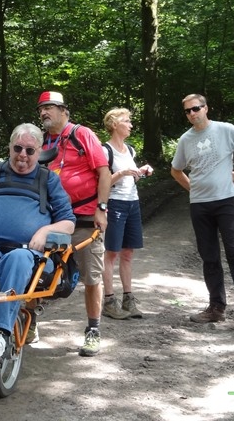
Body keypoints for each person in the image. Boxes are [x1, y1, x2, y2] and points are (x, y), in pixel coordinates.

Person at [171, 94, 234, 329]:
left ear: (206, 108)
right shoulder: (186, 140)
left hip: (226, 201)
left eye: (196, 108)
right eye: (187, 111)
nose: (192, 113)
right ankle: (216, 308)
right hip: (199, 205)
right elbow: (176, 171)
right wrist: (192, 189)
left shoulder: (224, 130)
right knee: (209, 257)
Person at [0, 123, 76, 360]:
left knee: (17, 257)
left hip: (31, 256)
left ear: (39, 151)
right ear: (10, 148)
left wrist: (45, 231)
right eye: (18, 148)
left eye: (30, 150)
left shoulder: (47, 179)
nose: (23, 155)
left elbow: (68, 222)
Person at [37, 91, 112, 356]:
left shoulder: (82, 134)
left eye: (49, 108)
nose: (44, 113)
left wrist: (101, 209)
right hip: (53, 220)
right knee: (38, 270)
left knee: (91, 276)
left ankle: (93, 330)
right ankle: (29, 319)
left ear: (63, 110)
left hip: (84, 218)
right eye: (41, 109)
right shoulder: (43, 141)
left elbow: (104, 172)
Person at [101, 108, 153, 320]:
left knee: (128, 252)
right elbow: (102, 183)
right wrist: (121, 173)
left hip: (133, 203)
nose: (131, 125)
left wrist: (140, 172)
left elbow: (132, 179)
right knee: (111, 253)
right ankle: (109, 301)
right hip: (115, 204)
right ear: (114, 124)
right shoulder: (105, 151)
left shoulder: (130, 150)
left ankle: (128, 300)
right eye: (126, 121)